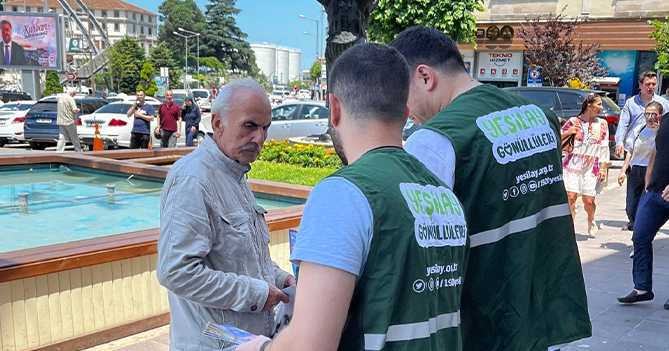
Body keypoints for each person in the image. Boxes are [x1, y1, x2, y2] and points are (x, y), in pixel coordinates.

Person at [237, 43, 469, 351]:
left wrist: (257, 348)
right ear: (405, 112)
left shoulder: (344, 194)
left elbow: (310, 346)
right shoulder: (445, 196)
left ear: (334, 108)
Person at [389, 26, 591, 351]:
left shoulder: (435, 141)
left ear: (425, 77)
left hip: (479, 324)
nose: (406, 112)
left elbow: (417, 254)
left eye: (403, 94)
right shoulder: (540, 116)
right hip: (538, 313)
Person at [157, 79, 294, 351]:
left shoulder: (234, 172)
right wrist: (256, 293)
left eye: (265, 128)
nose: (260, 138)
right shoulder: (194, 179)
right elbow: (176, 272)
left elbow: (241, 258)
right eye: (250, 126)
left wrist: (281, 280)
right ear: (218, 123)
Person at [617, 74, 669, 310]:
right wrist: (648, 180)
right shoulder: (667, 121)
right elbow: (657, 152)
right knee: (640, 236)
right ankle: (642, 287)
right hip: (655, 193)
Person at [615, 71, 669, 230]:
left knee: (645, 201)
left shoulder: (662, 103)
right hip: (635, 156)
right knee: (631, 202)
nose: (651, 87)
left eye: (654, 84)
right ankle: (634, 221)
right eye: (648, 84)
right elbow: (623, 124)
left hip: (653, 162)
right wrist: (620, 143)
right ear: (640, 85)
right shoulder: (631, 103)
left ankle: (641, 226)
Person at [617, 101, 664, 257]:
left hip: (651, 172)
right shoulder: (639, 129)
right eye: (647, 114)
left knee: (642, 208)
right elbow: (630, 151)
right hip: (635, 170)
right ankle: (637, 230)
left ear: (660, 115)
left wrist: (658, 133)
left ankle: (638, 242)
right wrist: (623, 170)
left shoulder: (664, 131)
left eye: (654, 114)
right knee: (631, 206)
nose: (650, 118)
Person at [560, 94, 610, 236]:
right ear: (589, 106)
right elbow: (558, 135)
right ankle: (569, 232)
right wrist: (570, 131)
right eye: (599, 104)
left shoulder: (602, 124)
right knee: (570, 197)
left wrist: (602, 167)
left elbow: (604, 147)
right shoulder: (574, 121)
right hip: (573, 163)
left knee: (589, 200)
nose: (601, 107)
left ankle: (591, 218)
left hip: (591, 165)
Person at [56, 87, 82, 153]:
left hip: (61, 120)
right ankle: (78, 151)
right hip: (69, 121)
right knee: (74, 137)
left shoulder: (60, 98)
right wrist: (78, 110)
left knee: (62, 137)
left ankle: (59, 151)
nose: (75, 95)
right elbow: (74, 110)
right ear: (72, 93)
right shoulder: (70, 99)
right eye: (75, 93)